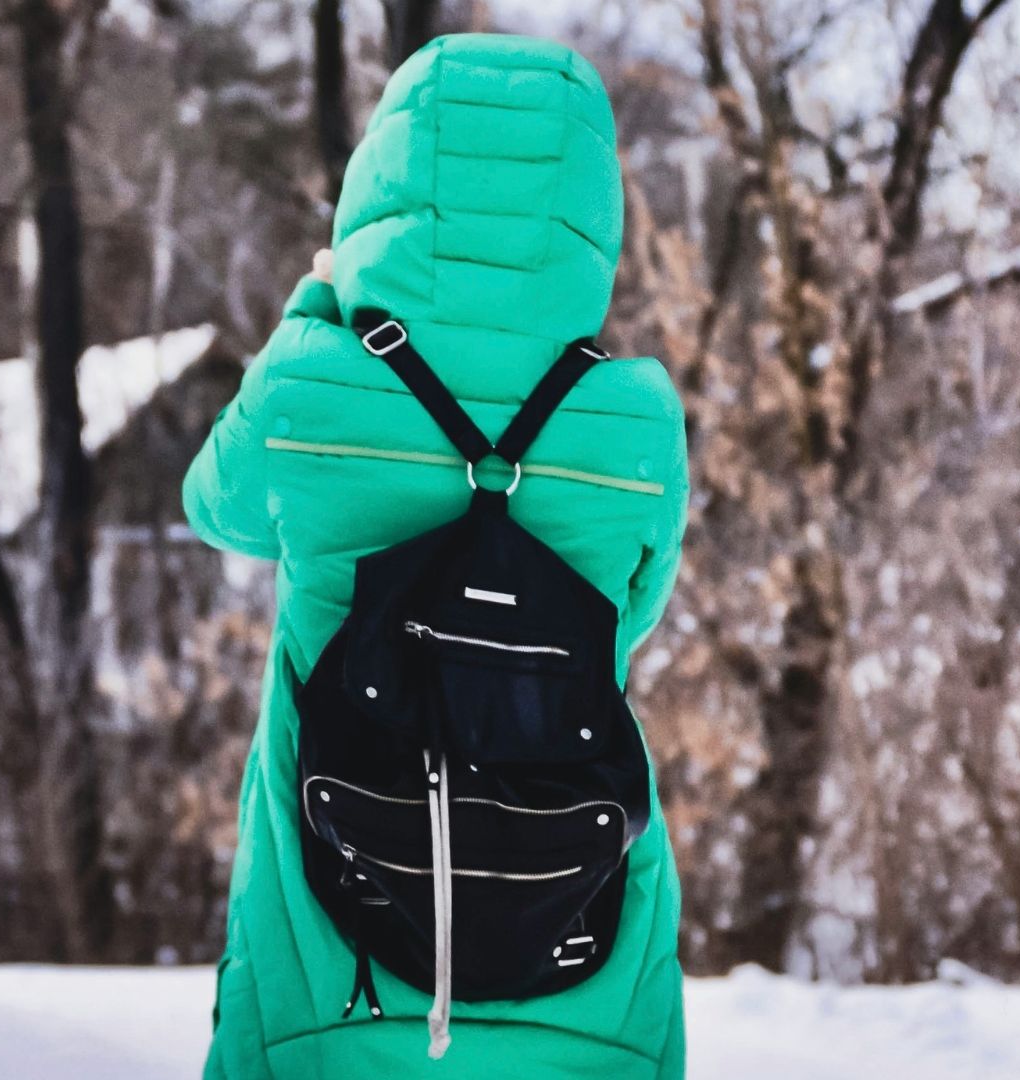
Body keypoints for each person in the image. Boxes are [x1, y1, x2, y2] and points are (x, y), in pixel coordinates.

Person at [184, 33, 689, 1079]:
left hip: (333, 960)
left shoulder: (307, 385)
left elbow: (214, 508)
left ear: (386, 180)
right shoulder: (639, 424)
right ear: (589, 210)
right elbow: (622, 622)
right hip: (577, 952)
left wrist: (310, 316)